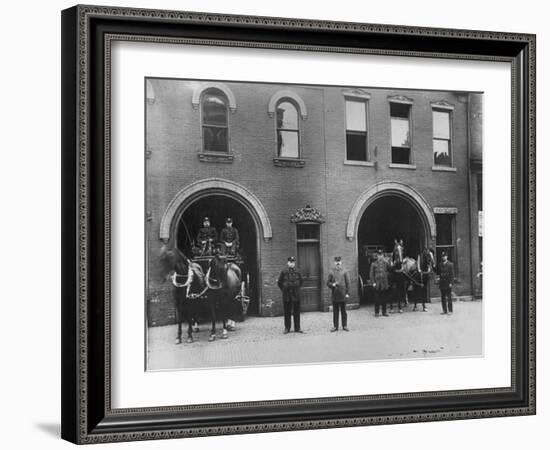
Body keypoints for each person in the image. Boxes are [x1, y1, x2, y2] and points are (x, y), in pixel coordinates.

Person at [277, 256, 304, 334]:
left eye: (293, 262)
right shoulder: (284, 271)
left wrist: (297, 289)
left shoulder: (298, 271)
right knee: (287, 312)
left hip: (296, 294)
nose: (292, 264)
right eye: (290, 262)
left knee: (297, 312)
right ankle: (287, 328)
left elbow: (301, 281)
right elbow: (279, 282)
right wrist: (284, 290)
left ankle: (297, 328)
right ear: (288, 263)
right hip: (287, 295)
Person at [327, 256, 350, 331]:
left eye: (339, 261)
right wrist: (332, 285)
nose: (338, 263)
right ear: (334, 263)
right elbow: (328, 282)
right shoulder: (331, 272)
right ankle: (335, 326)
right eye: (336, 262)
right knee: (335, 311)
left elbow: (348, 283)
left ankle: (345, 325)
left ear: (341, 262)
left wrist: (347, 293)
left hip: (343, 294)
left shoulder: (345, 271)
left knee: (344, 311)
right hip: (335, 294)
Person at [369, 249, 390, 317]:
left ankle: (384, 312)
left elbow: (390, 270)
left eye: (381, 255)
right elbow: (371, 274)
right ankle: (377, 312)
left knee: (384, 298)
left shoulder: (386, 263)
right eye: (379, 255)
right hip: (377, 284)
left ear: (383, 256)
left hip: (384, 283)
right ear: (377, 256)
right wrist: (373, 283)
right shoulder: (373, 264)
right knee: (377, 299)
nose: (380, 256)